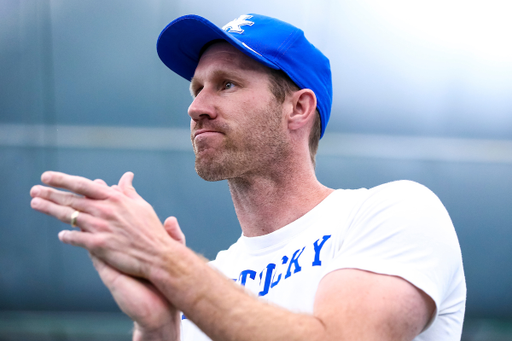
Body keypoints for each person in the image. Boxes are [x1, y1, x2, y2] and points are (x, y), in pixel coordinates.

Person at [30, 13, 466, 341]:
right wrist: (159, 326)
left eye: (227, 85)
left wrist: (164, 260)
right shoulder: (208, 281)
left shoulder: (393, 212)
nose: (196, 106)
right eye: (196, 88)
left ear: (298, 108)